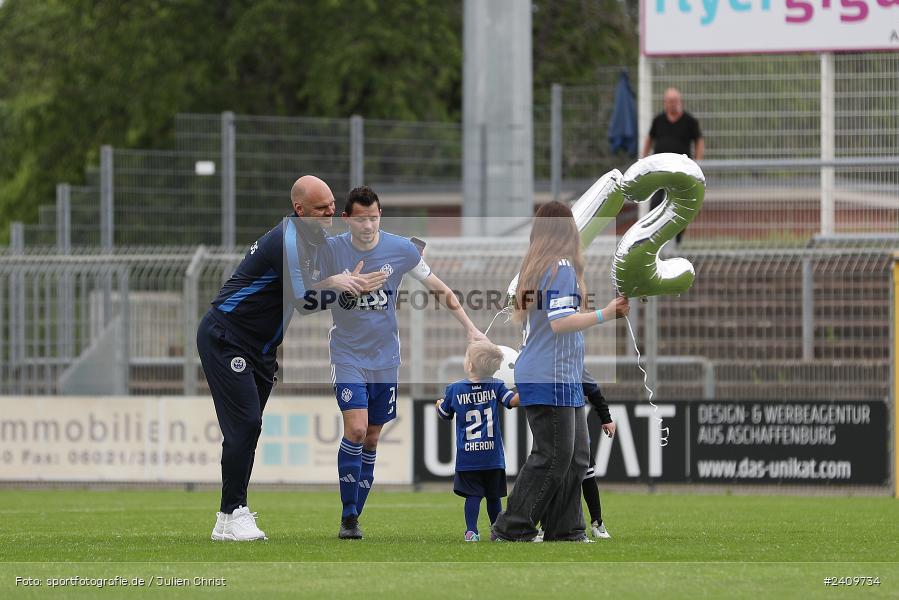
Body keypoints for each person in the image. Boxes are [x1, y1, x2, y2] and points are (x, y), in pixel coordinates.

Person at [198, 175, 385, 542]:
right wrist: (337, 284)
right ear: (299, 210)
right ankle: (233, 513)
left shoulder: (315, 239)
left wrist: (357, 275)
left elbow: (331, 275)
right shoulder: (288, 239)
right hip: (227, 337)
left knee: (246, 429)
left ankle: (228, 516)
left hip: (262, 350)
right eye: (321, 208)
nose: (330, 211)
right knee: (246, 424)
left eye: (331, 204)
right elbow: (304, 301)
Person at [317, 186, 487, 540]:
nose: (368, 225)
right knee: (358, 429)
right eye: (361, 218)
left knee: (373, 437)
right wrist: (340, 283)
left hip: (385, 358)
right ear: (347, 219)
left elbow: (440, 288)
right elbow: (306, 289)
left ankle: (355, 515)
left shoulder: (401, 249)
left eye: (374, 217)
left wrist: (471, 329)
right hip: (347, 353)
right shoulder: (331, 250)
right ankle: (348, 517)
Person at [491, 200, 629, 543]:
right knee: (553, 456)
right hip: (550, 374)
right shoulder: (561, 267)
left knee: (576, 457)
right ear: (569, 230)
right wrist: (606, 313)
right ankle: (512, 527)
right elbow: (561, 322)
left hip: (556, 373)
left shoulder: (538, 266)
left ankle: (566, 528)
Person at [436, 341, 518, 542]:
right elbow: (512, 402)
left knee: (473, 496)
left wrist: (438, 405)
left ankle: (471, 531)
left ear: (470, 365)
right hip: (492, 456)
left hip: (468, 456)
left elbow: (445, 414)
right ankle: (496, 531)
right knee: (493, 496)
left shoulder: (454, 389)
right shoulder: (497, 386)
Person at [641, 87, 704, 243]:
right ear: (665, 103)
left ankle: (678, 239)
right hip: (660, 169)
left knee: (680, 203)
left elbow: (699, 141)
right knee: (656, 203)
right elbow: (650, 138)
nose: (673, 104)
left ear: (680, 102)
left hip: (681, 171)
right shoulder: (658, 120)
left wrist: (698, 160)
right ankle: (653, 237)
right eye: (670, 101)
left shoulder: (690, 121)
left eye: (675, 101)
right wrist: (643, 158)